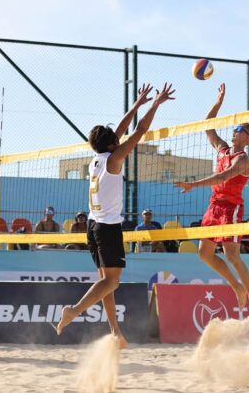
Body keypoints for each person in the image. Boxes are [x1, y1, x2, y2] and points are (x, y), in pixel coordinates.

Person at [56, 82, 175, 348]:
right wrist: (155, 104)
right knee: (111, 281)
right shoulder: (114, 158)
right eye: (115, 138)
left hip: (93, 225)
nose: (119, 138)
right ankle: (74, 310)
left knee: (106, 282)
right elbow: (140, 131)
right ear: (112, 144)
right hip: (107, 227)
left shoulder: (97, 158)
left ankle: (114, 331)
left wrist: (136, 104)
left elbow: (120, 131)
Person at [173, 83, 249, 322]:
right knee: (204, 253)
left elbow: (223, 177)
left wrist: (193, 184)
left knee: (232, 256)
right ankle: (236, 286)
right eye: (235, 128)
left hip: (231, 209)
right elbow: (207, 125)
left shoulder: (243, 160)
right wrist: (218, 103)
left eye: (239, 129)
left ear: (247, 137)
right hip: (214, 206)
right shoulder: (223, 149)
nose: (234, 131)